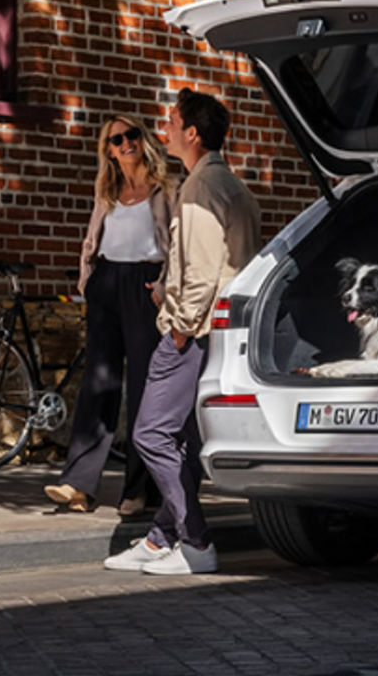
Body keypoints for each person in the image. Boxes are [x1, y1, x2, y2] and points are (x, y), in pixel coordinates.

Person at [104, 88, 261, 575]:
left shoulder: (198, 190)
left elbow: (202, 274)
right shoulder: (231, 184)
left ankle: (194, 541)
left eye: (172, 121)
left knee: (150, 432)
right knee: (184, 439)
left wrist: (177, 330)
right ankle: (160, 538)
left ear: (192, 133)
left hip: (190, 333)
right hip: (217, 331)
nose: (164, 128)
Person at [44, 115, 170, 516]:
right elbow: (91, 238)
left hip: (147, 285)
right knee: (98, 384)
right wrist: (88, 280)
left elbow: (178, 242)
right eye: (116, 140)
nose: (125, 143)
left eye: (132, 135)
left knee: (142, 387)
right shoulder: (108, 190)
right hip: (107, 284)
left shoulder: (166, 188)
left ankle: (141, 491)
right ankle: (78, 485)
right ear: (109, 151)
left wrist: (166, 285)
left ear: (144, 140)